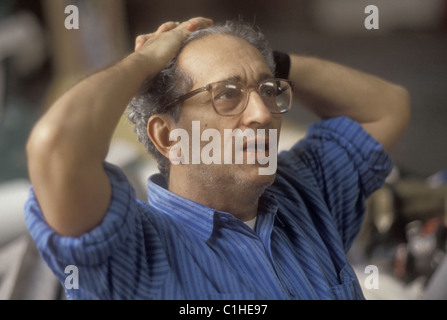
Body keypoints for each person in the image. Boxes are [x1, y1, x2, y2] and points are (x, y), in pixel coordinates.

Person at [24, 17, 410, 300]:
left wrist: (265, 62)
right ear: (168, 136)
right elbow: (56, 146)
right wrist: (144, 63)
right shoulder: (135, 249)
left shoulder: (303, 193)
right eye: (228, 94)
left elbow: (386, 107)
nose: (262, 114)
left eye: (268, 90)